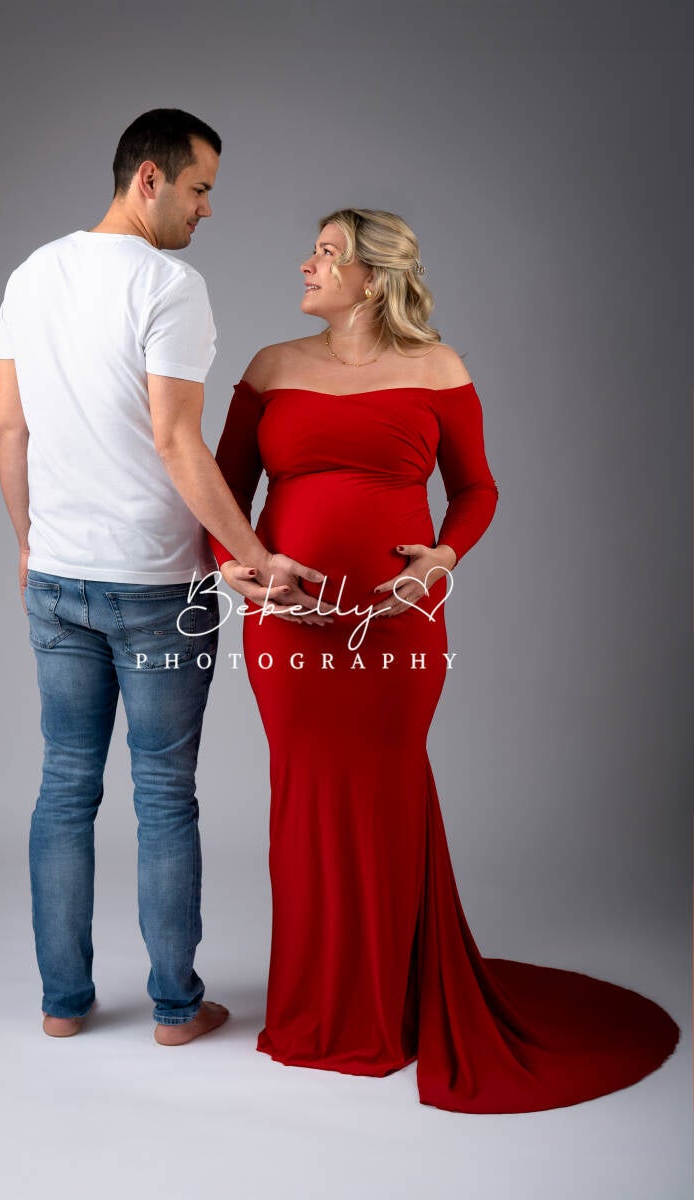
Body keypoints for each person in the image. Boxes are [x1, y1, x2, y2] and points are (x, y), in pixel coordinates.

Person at [206, 207, 680, 1112]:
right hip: (289, 622)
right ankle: (315, 1007)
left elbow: (476, 487)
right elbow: (223, 490)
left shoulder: (439, 369)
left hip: (398, 626)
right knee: (302, 797)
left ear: (372, 277)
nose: (306, 264)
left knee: (388, 793)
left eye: (327, 253)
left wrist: (442, 560)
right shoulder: (270, 368)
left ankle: (387, 1002)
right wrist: (234, 567)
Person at [0, 108, 321, 1044]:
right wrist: (253, 557)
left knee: (64, 787)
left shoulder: (30, 272)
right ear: (150, 178)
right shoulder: (171, 284)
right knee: (165, 795)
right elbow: (179, 442)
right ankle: (177, 1009)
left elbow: (8, 425)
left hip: (58, 577)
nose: (207, 209)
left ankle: (63, 1004)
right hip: (158, 586)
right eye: (200, 188)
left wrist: (28, 540)